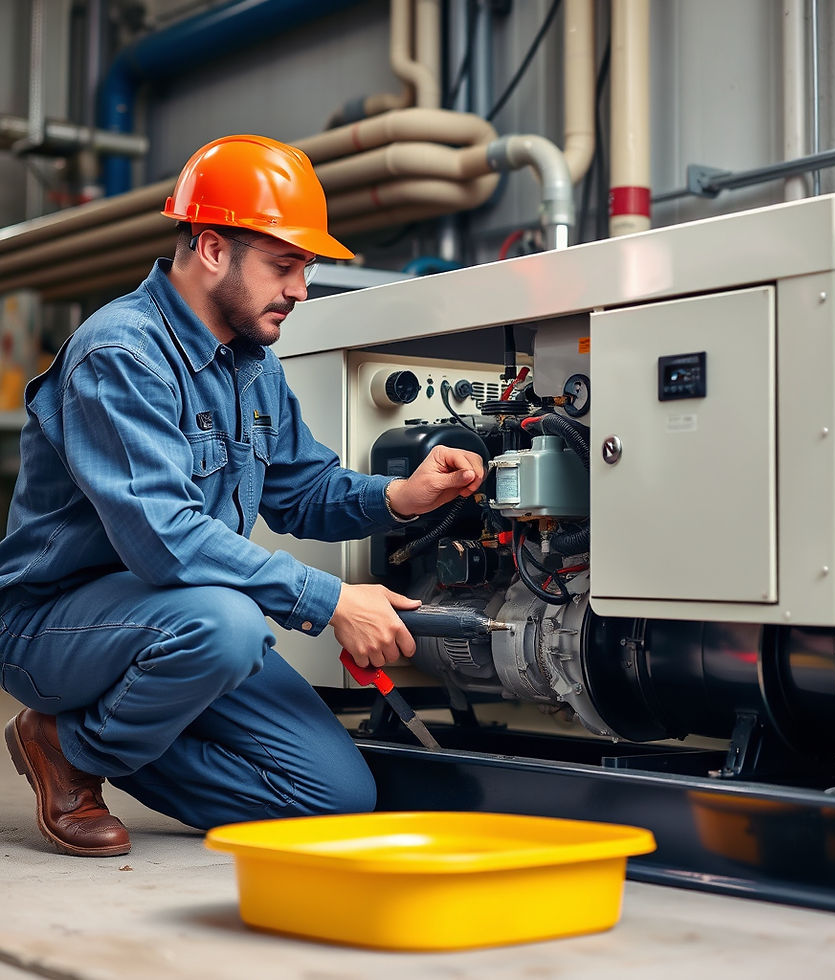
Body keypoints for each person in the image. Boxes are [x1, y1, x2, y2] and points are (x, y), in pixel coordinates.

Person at [0, 134, 485, 857]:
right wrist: (331, 600)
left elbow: (302, 490)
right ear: (211, 249)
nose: (300, 289)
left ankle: (111, 729)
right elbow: (163, 538)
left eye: (306, 268)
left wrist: (403, 496)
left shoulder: (251, 365)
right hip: (56, 627)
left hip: (178, 626)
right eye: (284, 265)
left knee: (335, 799)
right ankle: (72, 748)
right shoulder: (121, 354)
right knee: (229, 624)